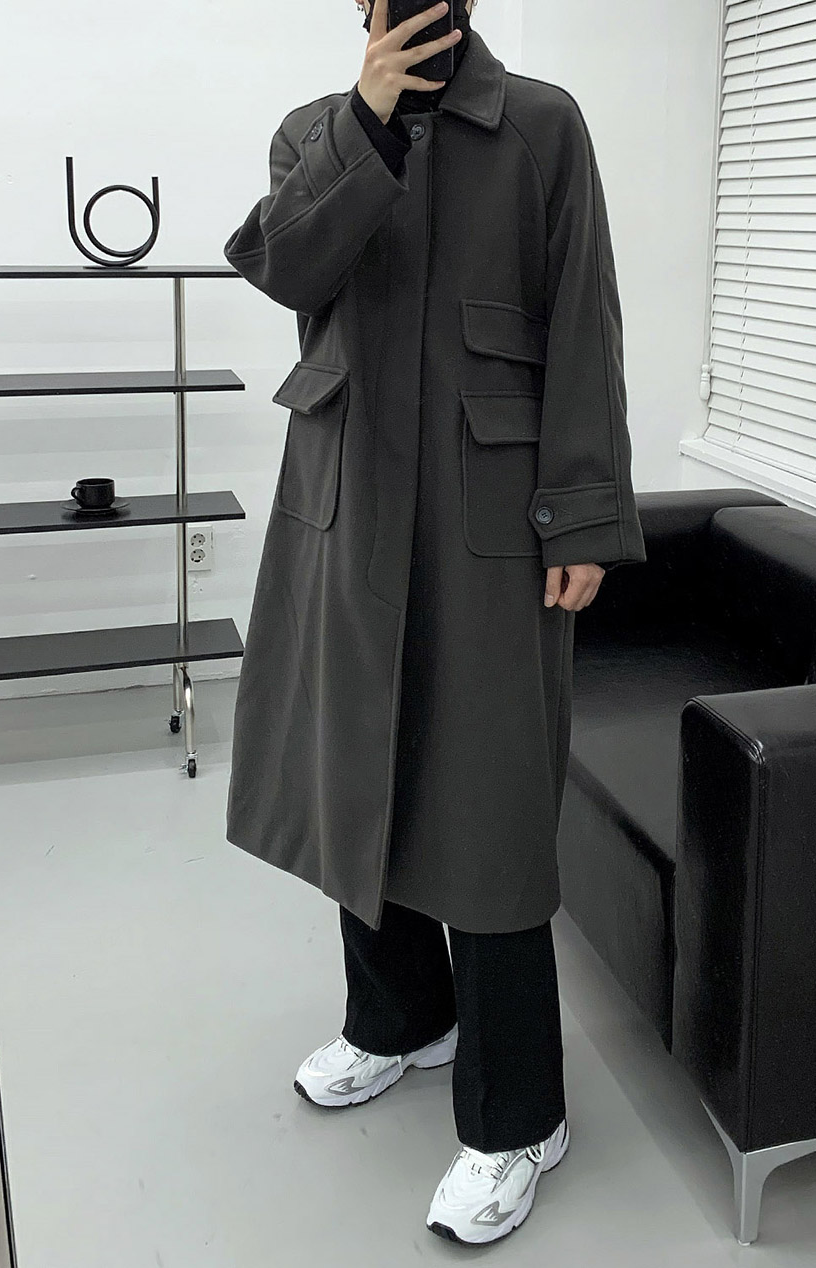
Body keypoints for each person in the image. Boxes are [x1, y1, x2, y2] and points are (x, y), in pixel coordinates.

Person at [222, 0, 646, 1246]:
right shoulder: (313, 133)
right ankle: (400, 1018)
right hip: (346, 503)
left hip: (490, 518)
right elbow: (286, 269)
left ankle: (521, 1117)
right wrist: (365, 124)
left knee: (488, 805)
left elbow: (585, 316)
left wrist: (581, 517)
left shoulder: (543, 128)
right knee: (362, 771)